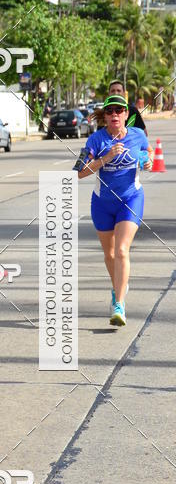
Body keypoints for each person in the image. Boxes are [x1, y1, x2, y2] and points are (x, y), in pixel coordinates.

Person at [74, 94, 152, 327]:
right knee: (109, 255)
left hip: (130, 199)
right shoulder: (96, 140)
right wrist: (106, 157)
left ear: (127, 115)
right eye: (110, 112)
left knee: (121, 250)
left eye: (120, 111)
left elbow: (147, 153)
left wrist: (147, 161)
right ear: (105, 117)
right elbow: (78, 171)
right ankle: (118, 286)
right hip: (102, 203)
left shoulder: (137, 135)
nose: (115, 114)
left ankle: (119, 304)